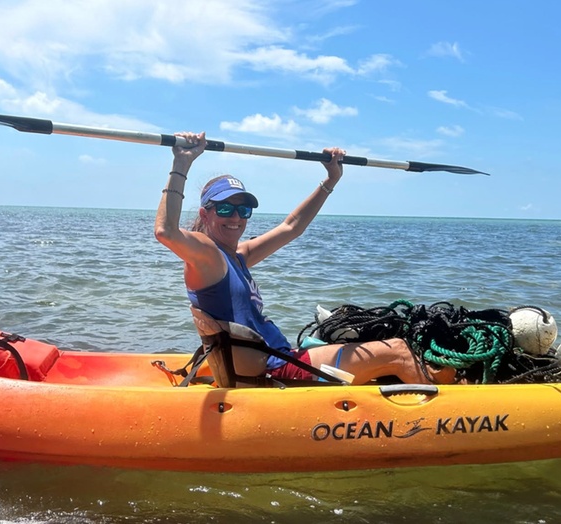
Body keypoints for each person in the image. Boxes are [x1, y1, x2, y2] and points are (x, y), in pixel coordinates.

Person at [154, 131, 455, 385]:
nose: (235, 218)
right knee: (399, 350)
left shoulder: (238, 255)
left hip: (279, 358)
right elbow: (166, 231)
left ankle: (442, 384)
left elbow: (292, 226)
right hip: (274, 369)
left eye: (243, 210)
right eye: (224, 209)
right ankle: (455, 411)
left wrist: (330, 180)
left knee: (371, 336)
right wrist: (181, 163)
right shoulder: (208, 254)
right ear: (205, 213)